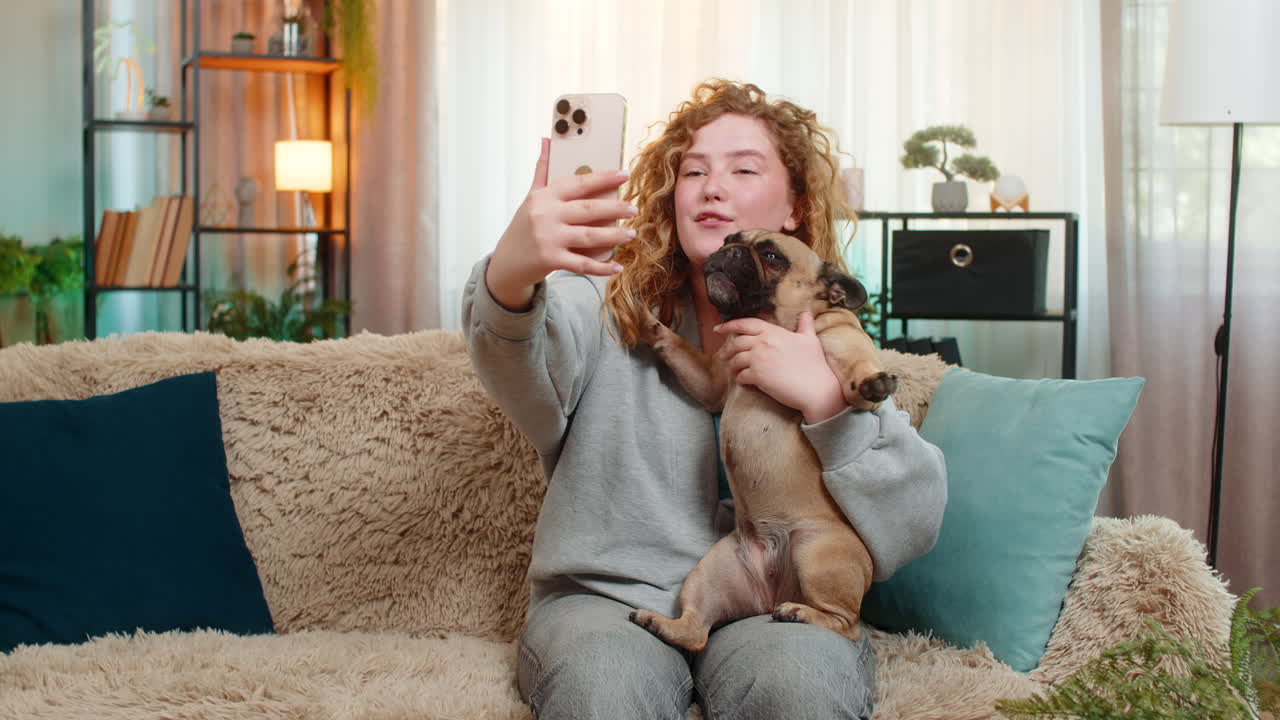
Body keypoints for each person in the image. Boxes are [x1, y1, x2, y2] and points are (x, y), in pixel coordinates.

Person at [462, 79, 946, 720]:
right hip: (608, 603)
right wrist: (513, 273)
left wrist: (827, 404)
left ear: (794, 206)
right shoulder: (605, 301)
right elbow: (519, 375)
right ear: (671, 196)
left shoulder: (828, 334)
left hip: (779, 603)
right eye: (693, 171)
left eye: (744, 169)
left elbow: (916, 521)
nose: (713, 187)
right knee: (603, 688)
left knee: (798, 688)